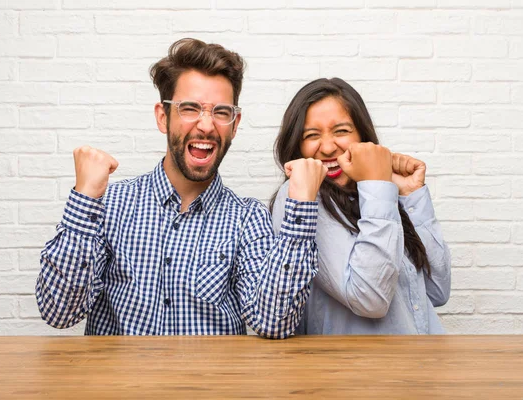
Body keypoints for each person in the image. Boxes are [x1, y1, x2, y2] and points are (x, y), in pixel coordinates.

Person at [36, 38, 327, 338]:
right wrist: (83, 201)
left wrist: (302, 207)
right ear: (164, 117)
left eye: (221, 112)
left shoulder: (247, 220)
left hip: (210, 384)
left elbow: (273, 322)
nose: (206, 126)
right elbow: (59, 312)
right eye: (190, 108)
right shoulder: (110, 205)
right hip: (121, 385)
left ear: (235, 124)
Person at [271, 78, 451, 334]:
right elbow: (370, 299)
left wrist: (411, 196)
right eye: (312, 135)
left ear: (363, 137)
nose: (328, 146)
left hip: (421, 366)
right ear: (297, 145)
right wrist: (377, 182)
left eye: (341, 131)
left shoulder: (379, 196)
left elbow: (437, 291)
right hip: (357, 370)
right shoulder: (301, 198)